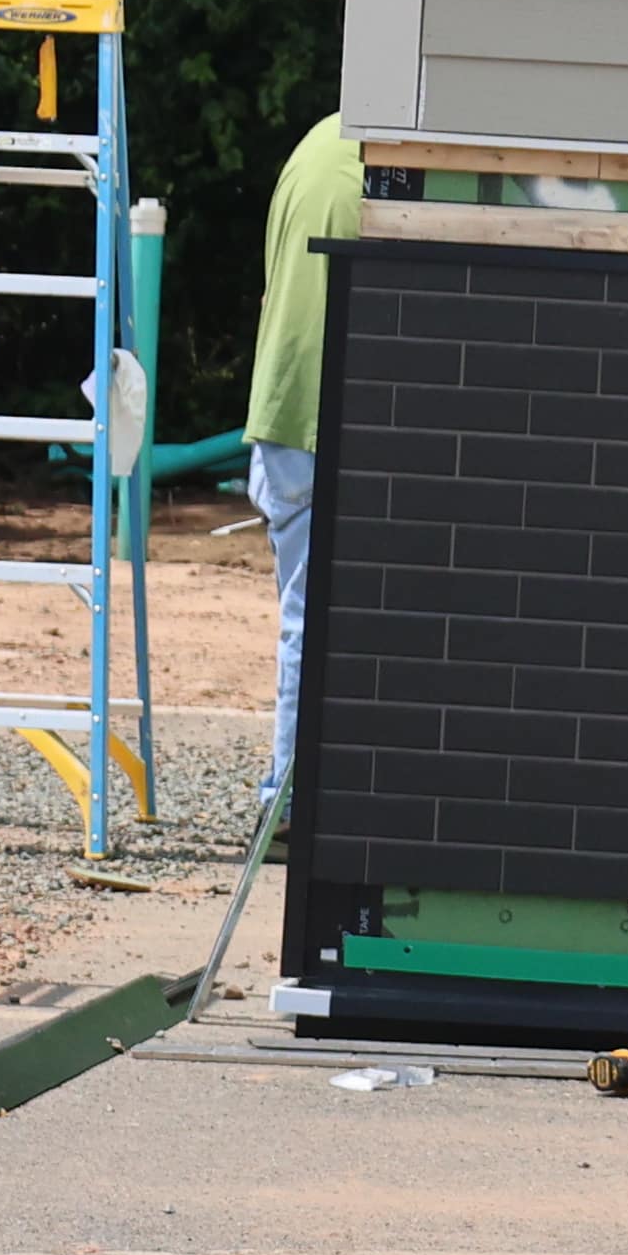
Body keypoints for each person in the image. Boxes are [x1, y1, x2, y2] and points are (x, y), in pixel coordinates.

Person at [238, 104, 364, 795]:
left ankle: (292, 794)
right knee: (321, 617)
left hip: (285, 410)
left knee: (304, 614)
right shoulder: (390, 157)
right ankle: (290, 797)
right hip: (330, 412)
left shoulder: (317, 143)